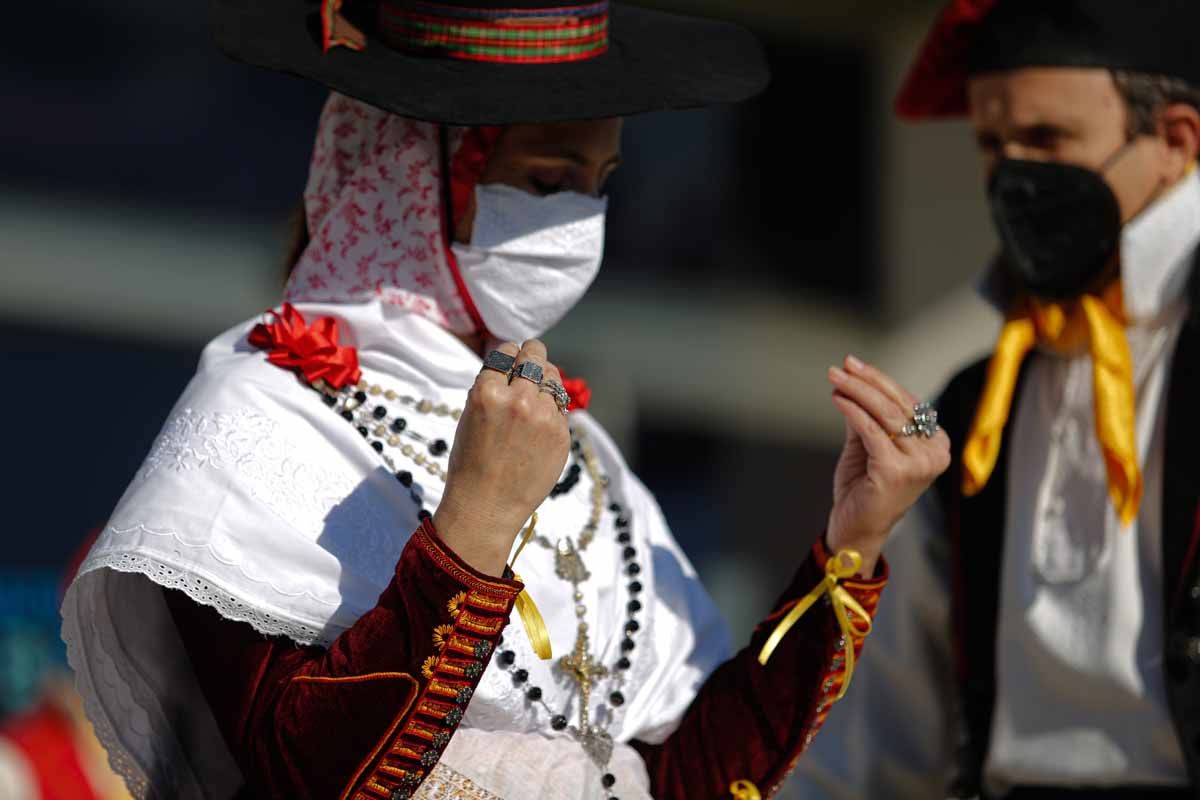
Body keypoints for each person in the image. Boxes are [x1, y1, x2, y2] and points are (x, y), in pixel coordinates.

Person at [59, 1, 949, 798]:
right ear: (417, 174)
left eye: (600, 185)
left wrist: (852, 542)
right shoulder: (261, 415)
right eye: (545, 181)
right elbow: (309, 777)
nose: (578, 223)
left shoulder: (581, 454)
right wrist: (475, 524)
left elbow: (691, 779)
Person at [796, 1, 1200, 798]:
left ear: (1177, 143)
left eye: (1047, 141)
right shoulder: (977, 400)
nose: (1013, 175)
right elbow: (887, 730)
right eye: (993, 145)